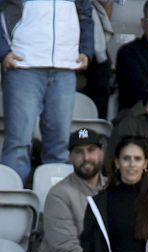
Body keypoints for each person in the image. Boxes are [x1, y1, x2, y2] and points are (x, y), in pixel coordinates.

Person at [0, 0, 92, 183]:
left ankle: (55, 205)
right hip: (23, 65)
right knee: (18, 144)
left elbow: (85, 14)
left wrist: (86, 50)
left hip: (64, 68)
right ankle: (9, 205)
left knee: (59, 146)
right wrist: (3, 51)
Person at [36, 127, 108, 252]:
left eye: (91, 150)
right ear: (70, 157)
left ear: (101, 153)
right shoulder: (59, 194)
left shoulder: (113, 189)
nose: (86, 158)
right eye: (79, 152)